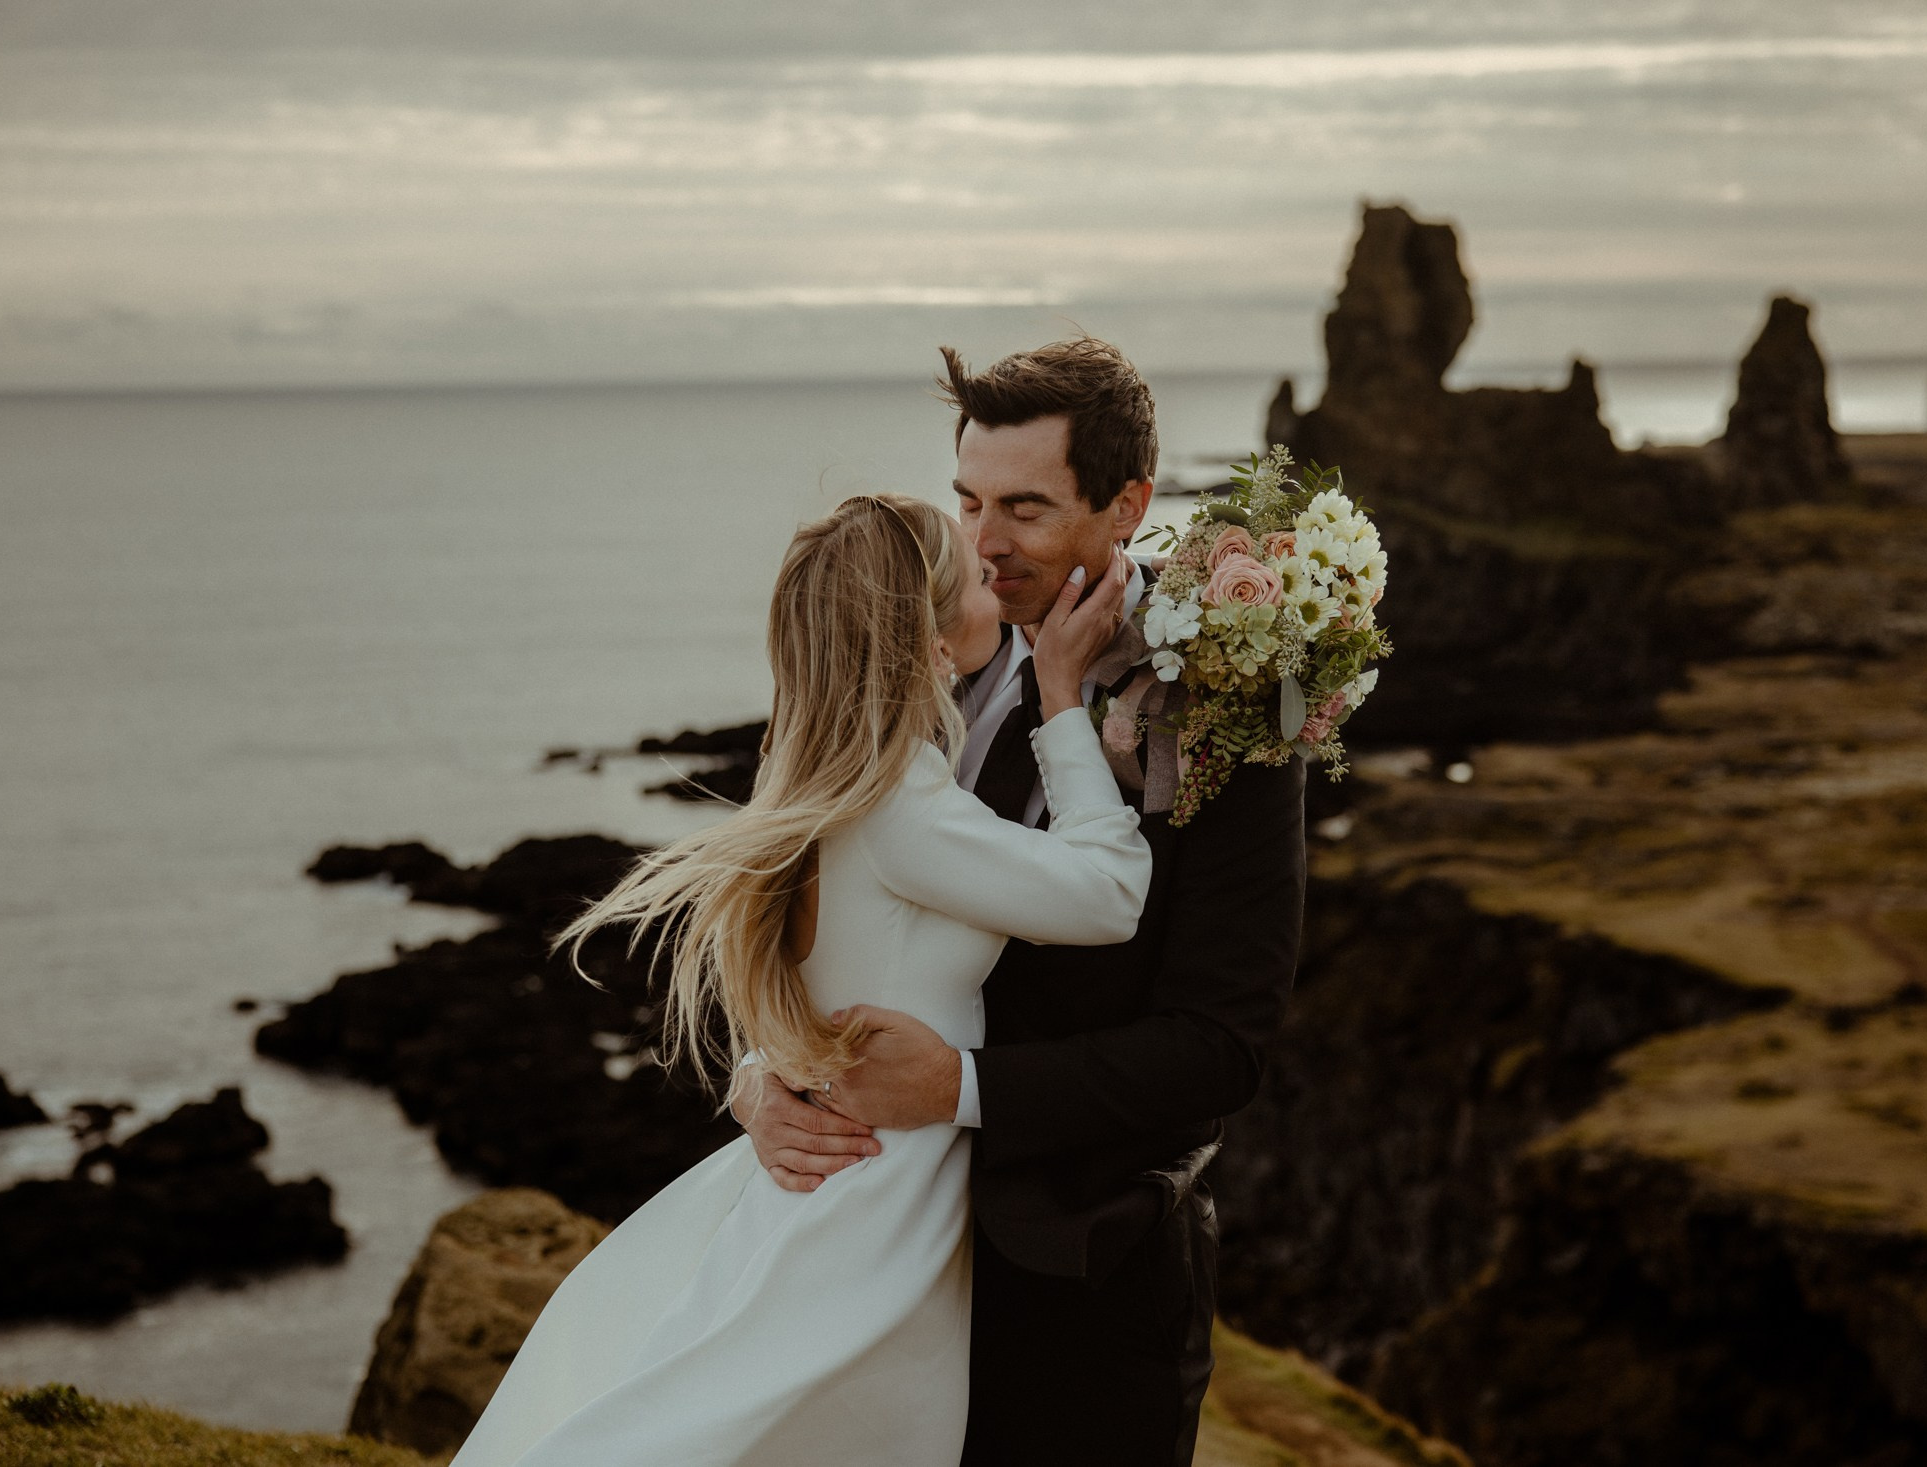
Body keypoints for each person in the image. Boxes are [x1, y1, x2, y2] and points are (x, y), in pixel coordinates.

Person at [445, 491, 1147, 1467]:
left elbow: (805, 988)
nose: (997, 571)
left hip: (825, 1194)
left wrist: (756, 1074)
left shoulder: (811, 773)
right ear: (928, 634)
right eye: (974, 575)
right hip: (868, 1222)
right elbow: (1111, 894)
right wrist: (1064, 701)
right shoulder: (902, 805)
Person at [738, 339, 1309, 1466]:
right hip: (871, 1254)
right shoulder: (906, 653)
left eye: (1026, 509)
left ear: (1126, 507)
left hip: (1081, 1289)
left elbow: (1219, 1047)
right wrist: (763, 1080)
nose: (983, 546)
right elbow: (795, 910)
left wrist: (961, 1087)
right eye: (966, 502)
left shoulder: (1232, 712)